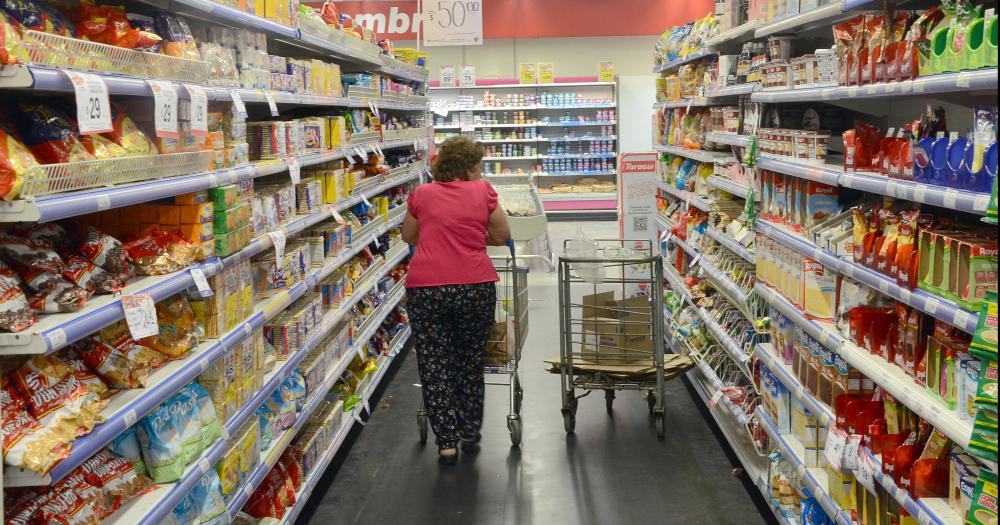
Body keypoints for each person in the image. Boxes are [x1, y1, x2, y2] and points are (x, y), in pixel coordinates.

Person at [402, 136, 511, 465]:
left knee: (434, 364)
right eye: (477, 164)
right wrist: (475, 237)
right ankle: (468, 430)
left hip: (427, 288)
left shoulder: (421, 195)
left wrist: (438, 232)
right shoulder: (484, 192)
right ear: (469, 166)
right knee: (468, 360)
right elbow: (502, 234)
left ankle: (445, 442)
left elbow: (409, 236)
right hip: (474, 286)